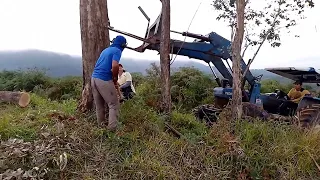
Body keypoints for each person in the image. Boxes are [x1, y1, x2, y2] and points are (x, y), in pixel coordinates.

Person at [91, 35, 127, 131]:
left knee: (99, 106)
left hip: (94, 79)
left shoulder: (106, 50)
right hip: (103, 79)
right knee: (114, 104)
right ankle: (111, 131)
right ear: (123, 45)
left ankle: (101, 128)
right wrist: (115, 78)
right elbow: (115, 65)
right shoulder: (117, 51)